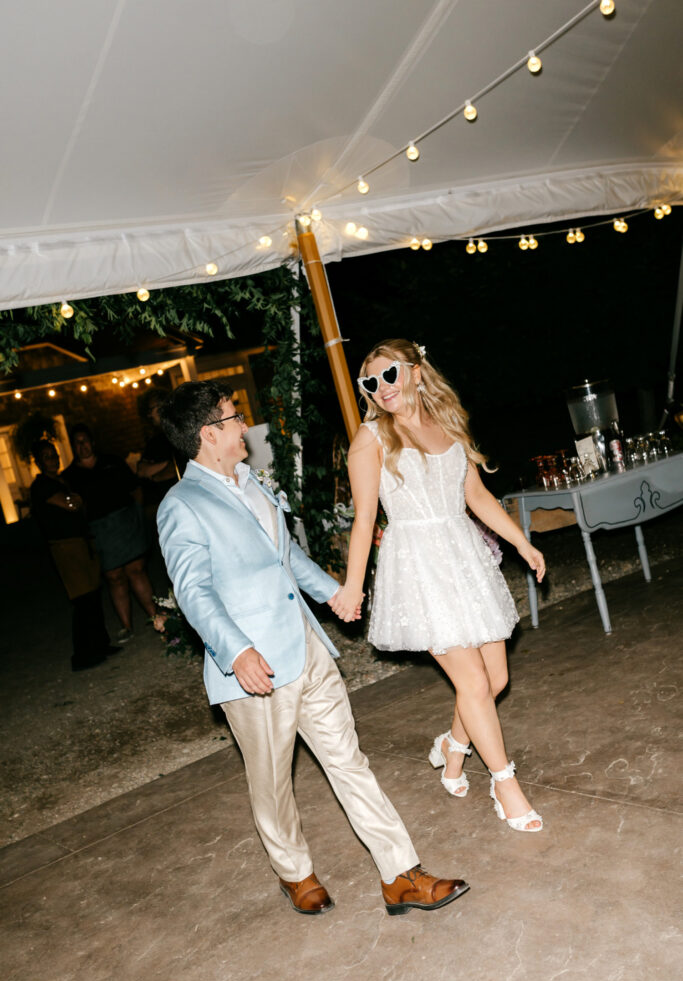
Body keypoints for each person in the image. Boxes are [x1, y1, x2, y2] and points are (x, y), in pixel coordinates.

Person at [156, 379, 469, 916]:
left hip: (306, 647)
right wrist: (236, 652)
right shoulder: (181, 505)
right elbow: (193, 591)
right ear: (209, 434)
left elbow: (286, 560)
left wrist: (336, 594)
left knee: (349, 761)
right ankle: (294, 872)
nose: (242, 425)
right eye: (234, 417)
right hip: (253, 667)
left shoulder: (251, 482)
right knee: (273, 781)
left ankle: (401, 874)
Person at [331, 339, 545, 832]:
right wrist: (353, 586)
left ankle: (454, 746)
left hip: (464, 558)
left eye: (389, 375)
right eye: (371, 382)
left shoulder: (446, 424)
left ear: (416, 372)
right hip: (419, 565)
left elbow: (475, 494)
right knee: (471, 682)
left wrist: (522, 543)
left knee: (495, 681)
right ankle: (505, 784)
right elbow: (364, 521)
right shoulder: (371, 441)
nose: (381, 388)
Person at [62, 424, 156, 643]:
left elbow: (135, 489)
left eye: (85, 440)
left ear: (92, 442)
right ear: (73, 446)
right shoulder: (70, 476)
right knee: (114, 578)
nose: (82, 445)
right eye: (77, 442)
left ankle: (156, 616)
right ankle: (126, 626)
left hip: (125, 523)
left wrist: (137, 516)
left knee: (136, 570)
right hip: (100, 531)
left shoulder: (112, 462)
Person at [29, 441, 118, 671]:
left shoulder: (60, 481)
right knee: (82, 599)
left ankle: (101, 644)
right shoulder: (41, 485)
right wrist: (74, 501)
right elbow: (70, 504)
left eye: (54, 455)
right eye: (47, 456)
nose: (52, 459)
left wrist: (76, 501)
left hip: (81, 542)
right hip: (65, 547)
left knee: (94, 594)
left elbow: (78, 503)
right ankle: (82, 655)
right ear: (38, 462)